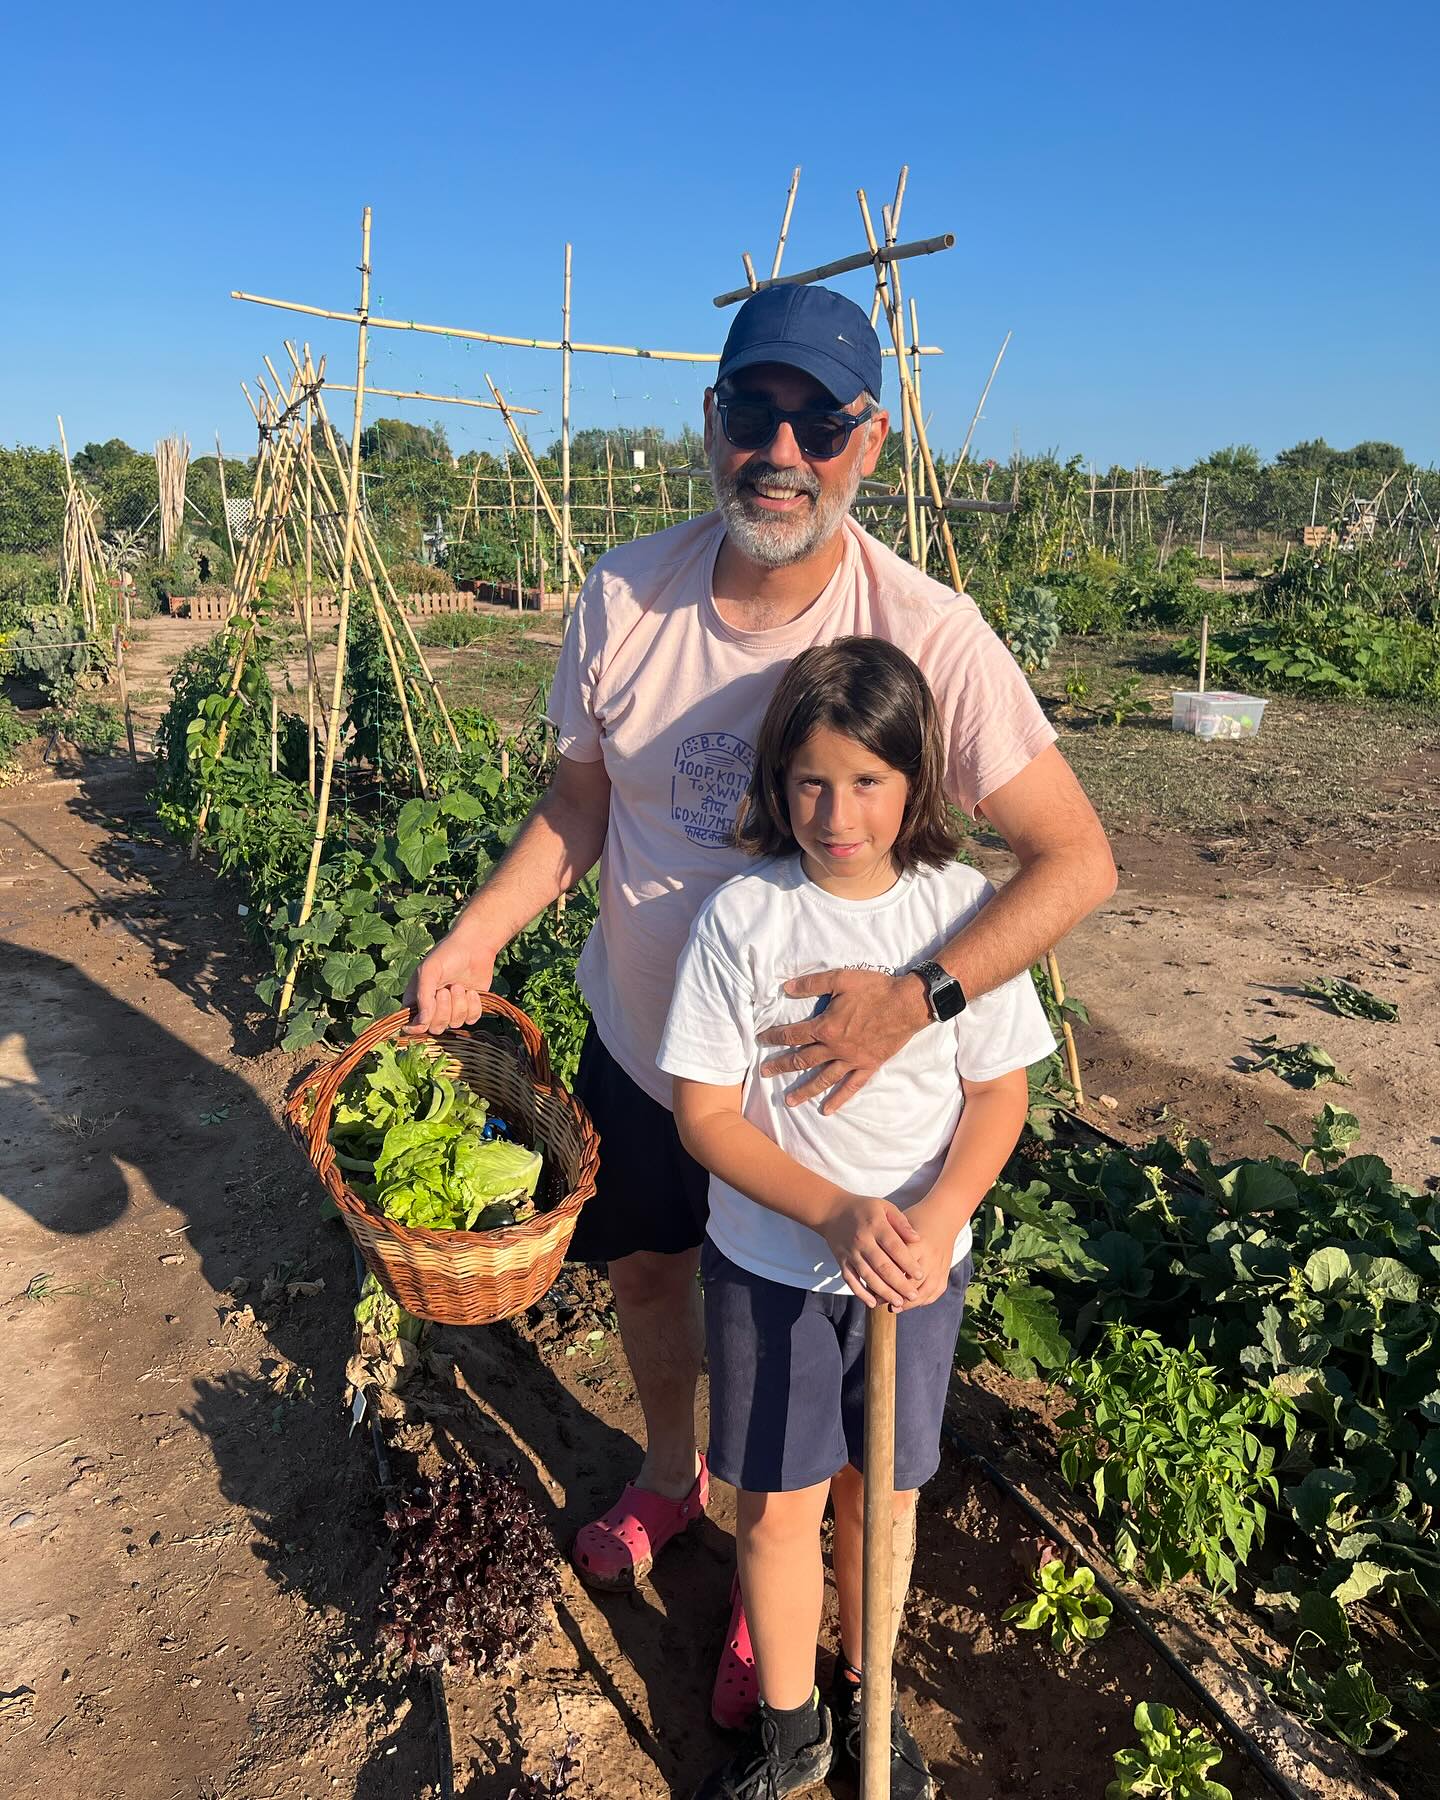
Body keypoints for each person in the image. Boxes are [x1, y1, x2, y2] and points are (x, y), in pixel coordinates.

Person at [404, 283, 1114, 1690]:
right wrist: (476, 936)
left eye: (819, 420)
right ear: (710, 421)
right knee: (658, 1275)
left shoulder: (928, 631)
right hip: (647, 1041)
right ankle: (676, 1480)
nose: (780, 449)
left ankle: (771, 1584)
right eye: (753, 411)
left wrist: (915, 1003)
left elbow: (1073, 860)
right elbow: (576, 811)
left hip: (819, 1094)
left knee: (803, 1351)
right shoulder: (624, 594)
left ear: (872, 442)